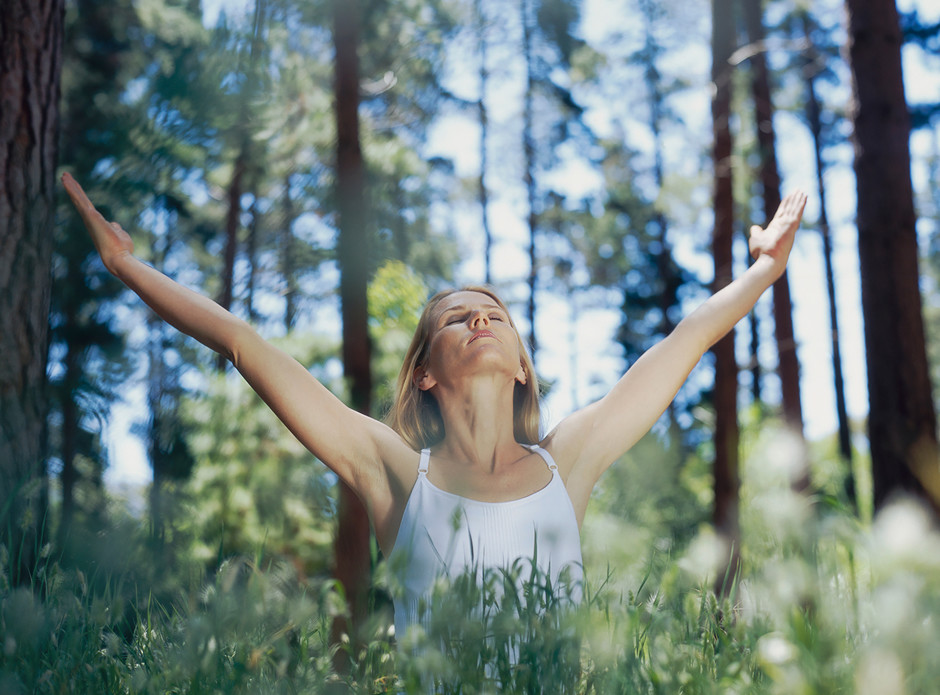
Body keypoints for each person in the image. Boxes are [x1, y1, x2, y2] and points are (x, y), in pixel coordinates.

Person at [62, 172, 807, 639]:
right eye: (457, 317)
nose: (480, 320)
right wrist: (131, 268)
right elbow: (242, 343)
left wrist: (764, 272)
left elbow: (687, 337)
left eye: (494, 316)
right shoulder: (394, 472)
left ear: (520, 363)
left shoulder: (568, 458)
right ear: (424, 374)